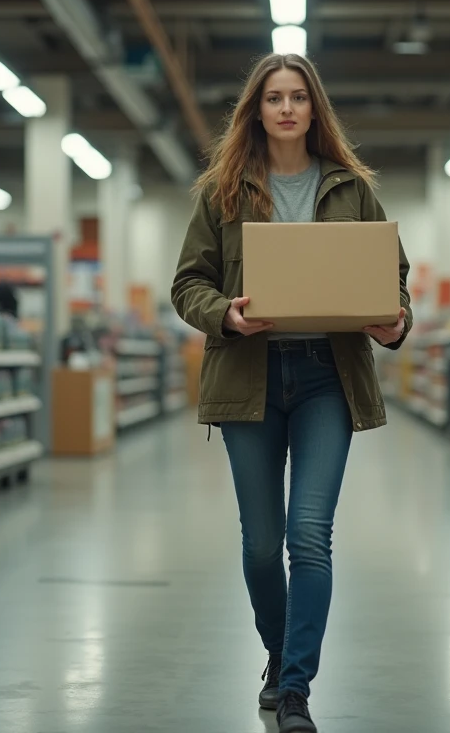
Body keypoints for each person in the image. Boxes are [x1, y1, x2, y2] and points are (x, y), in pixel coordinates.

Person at [171, 52, 413, 733]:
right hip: (248, 375)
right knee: (260, 545)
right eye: (273, 97)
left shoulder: (352, 188)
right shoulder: (223, 190)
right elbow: (188, 283)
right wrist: (227, 314)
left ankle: (297, 689)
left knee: (309, 536)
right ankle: (280, 658)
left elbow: (393, 278)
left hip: (325, 377)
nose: (285, 108)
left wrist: (393, 320)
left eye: (297, 98)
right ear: (257, 108)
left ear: (314, 109)